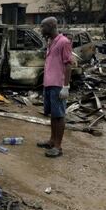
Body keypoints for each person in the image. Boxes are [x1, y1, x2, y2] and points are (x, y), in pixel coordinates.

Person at [37, 17, 73, 158]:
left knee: (59, 116)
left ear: (51, 26)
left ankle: (58, 146)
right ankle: (52, 141)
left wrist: (66, 86)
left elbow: (68, 64)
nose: (41, 29)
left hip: (58, 84)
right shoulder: (51, 42)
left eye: (43, 26)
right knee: (53, 114)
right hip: (49, 83)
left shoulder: (63, 42)